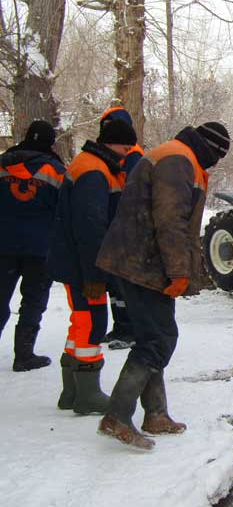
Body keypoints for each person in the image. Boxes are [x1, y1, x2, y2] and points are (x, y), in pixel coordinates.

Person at [96, 121, 230, 449]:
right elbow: (170, 221)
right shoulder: (178, 161)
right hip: (142, 263)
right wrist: (179, 272)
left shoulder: (177, 154)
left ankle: (155, 413)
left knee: (152, 336)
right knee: (158, 339)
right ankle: (117, 415)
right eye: (218, 156)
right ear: (211, 150)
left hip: (137, 260)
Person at [47, 119, 137, 414]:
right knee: (92, 323)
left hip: (75, 262)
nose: (126, 155)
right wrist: (95, 275)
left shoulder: (91, 165)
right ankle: (87, 394)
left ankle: (71, 392)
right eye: (125, 148)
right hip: (84, 265)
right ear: (112, 143)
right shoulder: (94, 172)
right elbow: (90, 228)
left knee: (81, 322)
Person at [0, 121, 65, 371]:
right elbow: (64, 210)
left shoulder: (3, 164)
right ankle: (24, 354)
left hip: (3, 246)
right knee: (33, 300)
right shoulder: (56, 170)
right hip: (41, 248)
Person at [99, 107, 145, 350]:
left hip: (125, 227)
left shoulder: (132, 156)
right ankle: (121, 327)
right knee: (114, 285)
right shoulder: (113, 156)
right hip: (114, 226)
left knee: (122, 285)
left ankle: (129, 329)